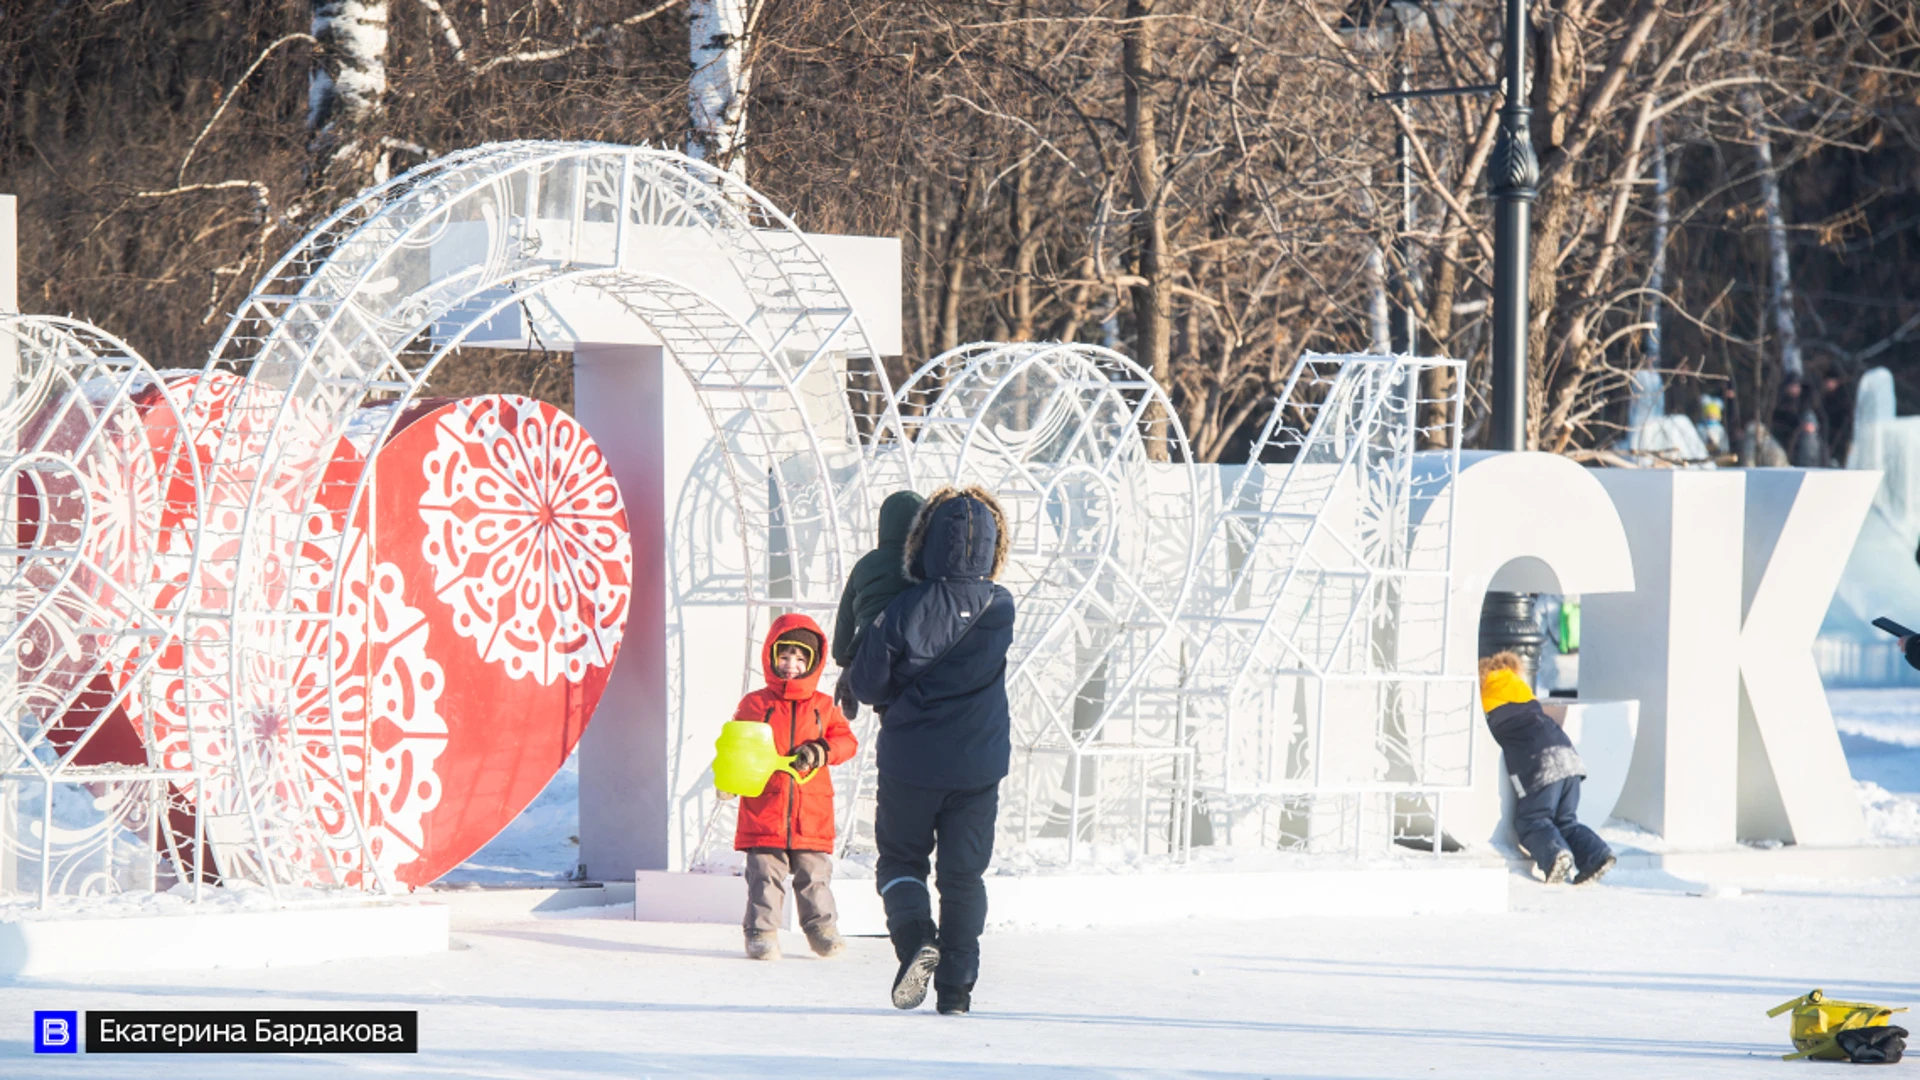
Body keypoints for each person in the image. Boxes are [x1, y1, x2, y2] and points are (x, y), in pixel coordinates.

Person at [845, 486, 1015, 1017]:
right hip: (978, 768)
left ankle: (916, 937)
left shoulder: (903, 607)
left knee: (901, 861)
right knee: (964, 877)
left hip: (911, 764)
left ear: (924, 544)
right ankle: (958, 988)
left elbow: (869, 685)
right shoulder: (1001, 607)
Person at [727, 614, 857, 961]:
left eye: (800, 658)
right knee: (764, 874)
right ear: (771, 656)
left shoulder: (824, 706)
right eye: (785, 657)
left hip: (809, 809)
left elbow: (846, 742)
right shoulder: (755, 704)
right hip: (764, 806)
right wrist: (728, 780)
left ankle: (822, 930)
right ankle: (761, 933)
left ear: (812, 662)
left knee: (814, 874)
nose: (791, 665)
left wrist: (820, 751)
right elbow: (736, 746)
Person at [1479, 651, 1615, 886]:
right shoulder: (1522, 692)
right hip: (1570, 758)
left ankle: (1555, 857)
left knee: (1532, 820)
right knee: (1565, 822)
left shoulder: (1487, 697)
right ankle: (1596, 856)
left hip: (1542, 763)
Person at [831, 490, 927, 717]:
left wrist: (844, 660)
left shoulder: (866, 564)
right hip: (907, 647)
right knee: (901, 703)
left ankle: (853, 681)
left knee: (880, 694)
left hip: (865, 646)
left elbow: (845, 616)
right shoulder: (919, 564)